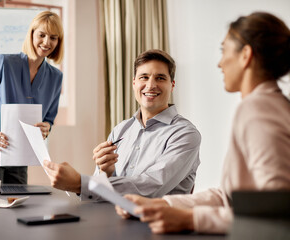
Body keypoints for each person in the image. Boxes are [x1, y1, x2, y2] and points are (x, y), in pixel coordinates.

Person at [115, 11, 290, 234]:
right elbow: (227, 196)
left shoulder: (260, 110)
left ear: (245, 55)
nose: (220, 63)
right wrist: (162, 204)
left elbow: (278, 211)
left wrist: (192, 220)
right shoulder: (263, 106)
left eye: (223, 50)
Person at [43, 49, 201, 200]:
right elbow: (100, 193)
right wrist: (105, 172)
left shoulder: (185, 134)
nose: (151, 85)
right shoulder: (120, 130)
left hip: (160, 225)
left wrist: (80, 183)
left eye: (160, 78)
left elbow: (151, 186)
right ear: (134, 83)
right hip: (115, 219)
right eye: (144, 77)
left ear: (172, 85)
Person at [0, 11, 64, 184]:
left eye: (53, 37)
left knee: (17, 207)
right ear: (32, 34)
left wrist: (46, 128)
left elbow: (49, 120)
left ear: (58, 42)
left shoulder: (56, 77)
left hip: (20, 152)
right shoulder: (4, 63)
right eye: (41, 35)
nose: (46, 42)